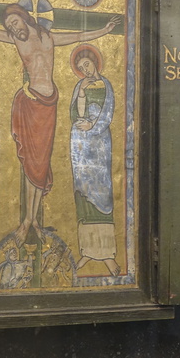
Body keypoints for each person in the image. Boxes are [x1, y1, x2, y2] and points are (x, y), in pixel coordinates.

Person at [0, 0, 119, 245]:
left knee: (41, 163)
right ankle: (27, 221)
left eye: (15, 22)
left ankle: (33, 220)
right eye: (9, 26)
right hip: (29, 104)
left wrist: (105, 30)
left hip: (48, 105)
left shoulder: (49, 38)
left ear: (25, 18)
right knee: (30, 163)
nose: (13, 28)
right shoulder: (15, 41)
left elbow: (78, 36)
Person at [69, 47, 119, 276]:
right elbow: (75, 115)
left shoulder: (106, 85)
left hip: (99, 145)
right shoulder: (80, 86)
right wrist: (81, 92)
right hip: (81, 146)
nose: (85, 70)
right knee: (84, 196)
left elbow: (107, 114)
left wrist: (92, 125)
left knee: (102, 196)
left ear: (95, 62)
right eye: (81, 68)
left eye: (87, 65)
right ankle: (87, 251)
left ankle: (107, 255)